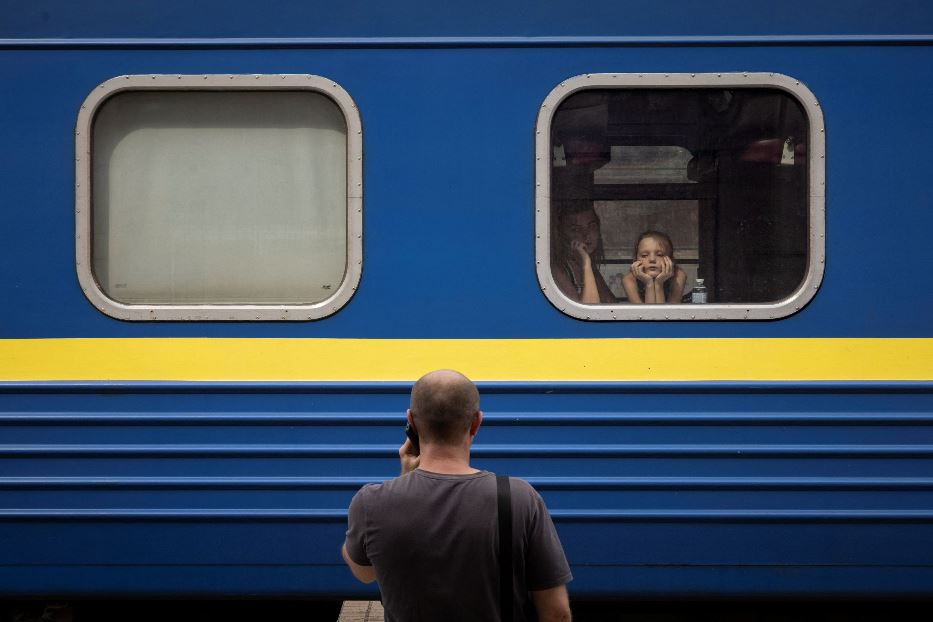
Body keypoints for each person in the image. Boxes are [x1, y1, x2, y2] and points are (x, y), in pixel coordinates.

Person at [342, 370, 573, 622]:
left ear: (412, 422)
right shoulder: (520, 498)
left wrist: (404, 479)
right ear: (476, 422)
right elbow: (557, 613)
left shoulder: (371, 502)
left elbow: (365, 573)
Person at [550, 201, 615, 304]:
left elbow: (610, 304)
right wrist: (585, 264)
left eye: (591, 226)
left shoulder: (590, 267)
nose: (585, 234)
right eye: (575, 229)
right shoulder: (557, 271)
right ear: (561, 234)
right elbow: (589, 312)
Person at [621, 230, 687, 304]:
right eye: (644, 255)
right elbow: (645, 314)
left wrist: (659, 284)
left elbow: (666, 314)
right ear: (636, 260)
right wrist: (649, 284)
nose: (652, 259)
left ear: (670, 259)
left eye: (659, 255)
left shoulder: (678, 276)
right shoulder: (629, 279)